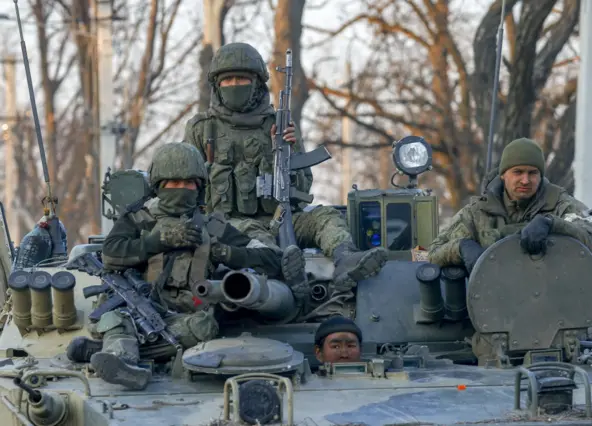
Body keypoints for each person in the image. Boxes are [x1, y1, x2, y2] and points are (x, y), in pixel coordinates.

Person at [65, 143, 308, 390]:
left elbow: (270, 258)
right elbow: (111, 254)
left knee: (205, 327)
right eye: (173, 183)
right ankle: (123, 363)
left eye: (189, 183)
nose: (181, 189)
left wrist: (226, 252)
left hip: (187, 317)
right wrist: (159, 241)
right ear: (159, 185)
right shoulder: (140, 218)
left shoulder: (212, 226)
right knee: (116, 319)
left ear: (199, 187)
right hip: (138, 308)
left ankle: (117, 350)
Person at [182, 42, 388, 293]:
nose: (235, 85)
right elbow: (185, 186)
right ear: (217, 85)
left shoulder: (278, 124)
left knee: (325, 217)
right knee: (262, 244)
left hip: (282, 216)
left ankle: (346, 260)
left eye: (243, 79)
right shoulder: (202, 129)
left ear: (257, 84)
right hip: (232, 225)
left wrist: (287, 149)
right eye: (228, 80)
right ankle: (292, 282)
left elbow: (303, 189)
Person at [426, 138, 592, 273]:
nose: (525, 180)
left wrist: (551, 224)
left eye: (532, 173)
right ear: (503, 175)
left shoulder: (559, 203)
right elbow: (433, 253)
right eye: (518, 172)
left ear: (540, 175)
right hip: (493, 304)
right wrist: (462, 247)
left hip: (549, 304)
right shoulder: (478, 213)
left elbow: (588, 236)